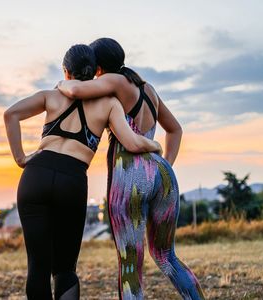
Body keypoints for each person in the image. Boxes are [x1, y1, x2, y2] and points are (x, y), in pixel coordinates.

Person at [4, 44, 161, 300]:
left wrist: (21, 158)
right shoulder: (109, 104)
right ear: (95, 71)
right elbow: (132, 142)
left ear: (66, 71)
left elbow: (10, 114)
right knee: (65, 269)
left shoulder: (51, 95)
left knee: (38, 267)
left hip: (36, 176)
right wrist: (154, 145)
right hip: (72, 180)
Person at [58, 38, 205, 300]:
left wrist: (63, 82)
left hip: (129, 177)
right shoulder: (148, 88)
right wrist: (163, 165)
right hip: (161, 174)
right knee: (166, 255)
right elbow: (176, 129)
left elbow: (75, 91)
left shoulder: (114, 82)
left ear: (99, 67)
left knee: (130, 263)